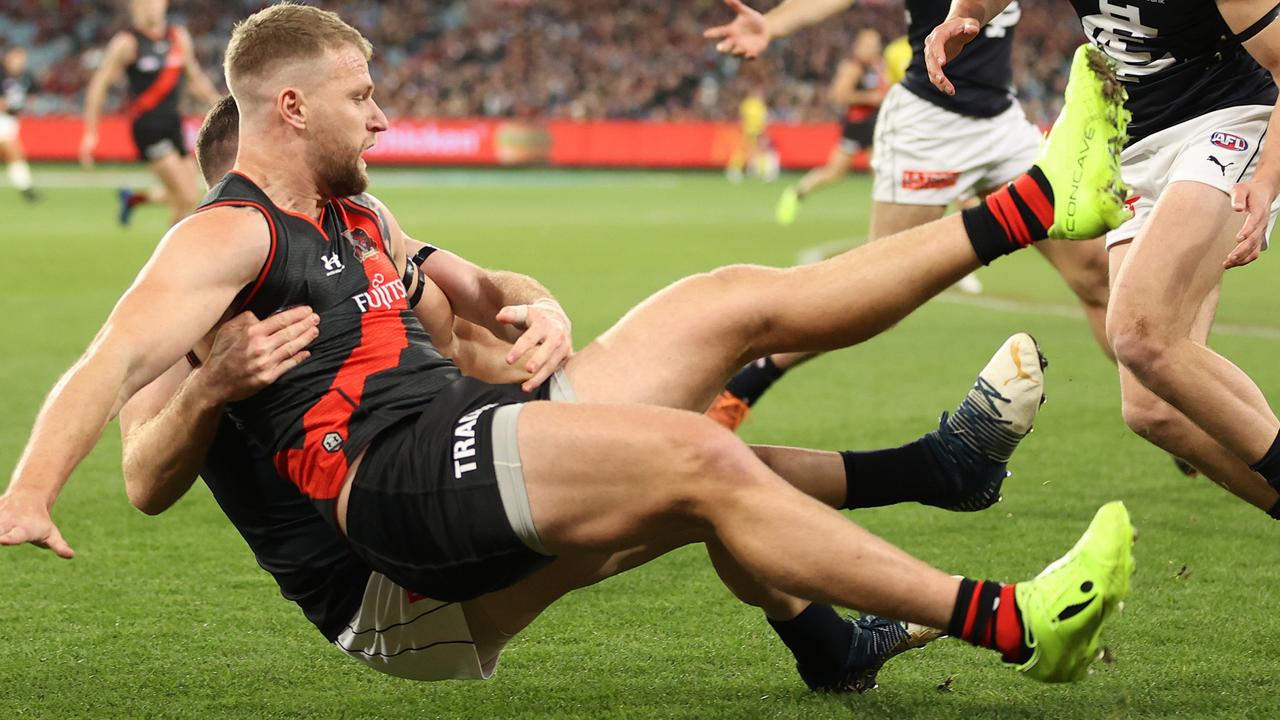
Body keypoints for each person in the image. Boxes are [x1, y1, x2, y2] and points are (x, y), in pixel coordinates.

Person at [1, 5, 1134, 686]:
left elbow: (484, 294)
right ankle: (1013, 621)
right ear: (289, 108)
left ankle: (1037, 205)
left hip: (455, 448)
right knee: (695, 461)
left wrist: (530, 309)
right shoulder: (226, 241)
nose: (383, 117)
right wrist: (36, 490)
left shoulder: (365, 217)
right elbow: (119, 401)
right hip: (387, 559)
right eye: (361, 97)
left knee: (721, 304)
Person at [926, 0, 1280, 519]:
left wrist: (1268, 178)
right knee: (1151, 411)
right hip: (1131, 140)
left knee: (1140, 335)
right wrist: (967, 14)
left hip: (1228, 120)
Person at [703, 0, 1112, 438]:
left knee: (1095, 273)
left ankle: (1169, 409)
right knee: (869, 299)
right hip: (928, 127)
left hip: (1002, 127)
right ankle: (742, 383)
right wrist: (770, 23)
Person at [79, 0, 220, 226]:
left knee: (190, 195)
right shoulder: (127, 43)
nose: (150, 6)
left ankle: (133, 199)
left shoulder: (178, 37)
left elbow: (194, 78)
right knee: (184, 196)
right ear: (134, 6)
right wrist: (91, 134)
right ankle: (173, 259)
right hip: (147, 127)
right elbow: (99, 85)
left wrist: (222, 105)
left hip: (174, 123)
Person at [775, 28, 886, 225]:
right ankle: (796, 193)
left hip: (873, 124)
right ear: (859, 46)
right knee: (836, 173)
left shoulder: (877, 66)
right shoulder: (852, 67)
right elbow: (839, 96)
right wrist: (871, 98)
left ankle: (885, 216)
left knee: (880, 173)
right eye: (870, 44)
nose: (874, 48)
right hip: (857, 126)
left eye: (876, 44)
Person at [0, 46, 40, 202]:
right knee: (14, 151)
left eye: (22, 60)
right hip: (2, 118)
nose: (19, 63)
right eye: (16, 59)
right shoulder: (1, 75)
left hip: (11, 120)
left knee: (13, 154)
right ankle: (27, 189)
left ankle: (26, 189)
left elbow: (33, 96)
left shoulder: (26, 77)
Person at [727, 85, 779, 182]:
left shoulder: (758, 105)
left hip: (758, 132)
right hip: (749, 131)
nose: (761, 95)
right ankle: (735, 170)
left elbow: (763, 120)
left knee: (756, 152)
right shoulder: (749, 104)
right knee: (749, 151)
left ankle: (758, 171)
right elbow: (743, 118)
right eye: (759, 94)